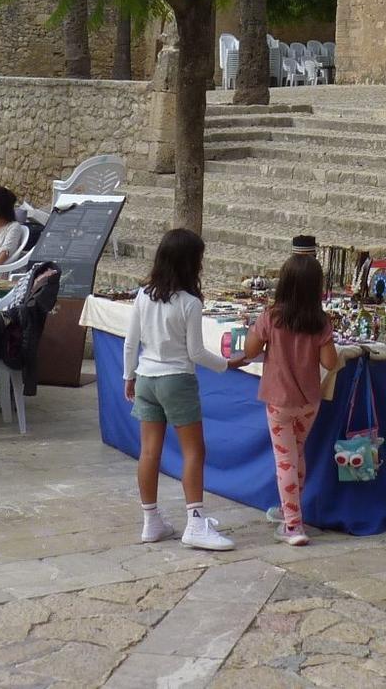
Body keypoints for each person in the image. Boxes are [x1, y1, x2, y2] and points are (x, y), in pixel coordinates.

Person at [122, 227, 233, 550]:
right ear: (190, 263)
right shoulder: (190, 303)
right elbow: (196, 352)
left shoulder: (144, 295)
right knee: (194, 451)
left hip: (146, 376)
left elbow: (131, 342)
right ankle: (196, 522)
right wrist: (227, 364)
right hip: (177, 380)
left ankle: (150, 520)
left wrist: (128, 376)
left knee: (149, 452)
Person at [233, 253, 343, 546]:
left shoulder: (272, 316)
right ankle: (288, 510)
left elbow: (252, 348)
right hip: (309, 401)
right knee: (297, 453)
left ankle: (293, 525)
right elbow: (330, 363)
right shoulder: (320, 322)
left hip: (279, 401)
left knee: (285, 459)